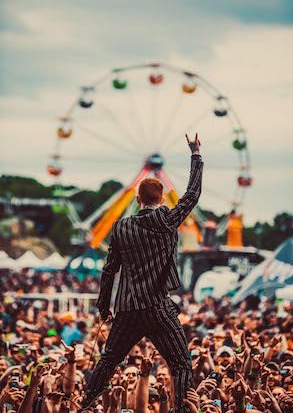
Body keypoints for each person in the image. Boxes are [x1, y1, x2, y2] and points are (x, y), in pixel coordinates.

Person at [82, 133, 204, 411]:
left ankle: (83, 406)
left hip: (127, 308)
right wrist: (195, 154)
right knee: (181, 365)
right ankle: (183, 409)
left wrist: (104, 305)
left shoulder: (121, 227)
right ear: (161, 200)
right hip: (158, 307)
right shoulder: (167, 219)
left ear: (137, 199)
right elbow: (192, 195)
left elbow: (110, 269)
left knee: (108, 361)